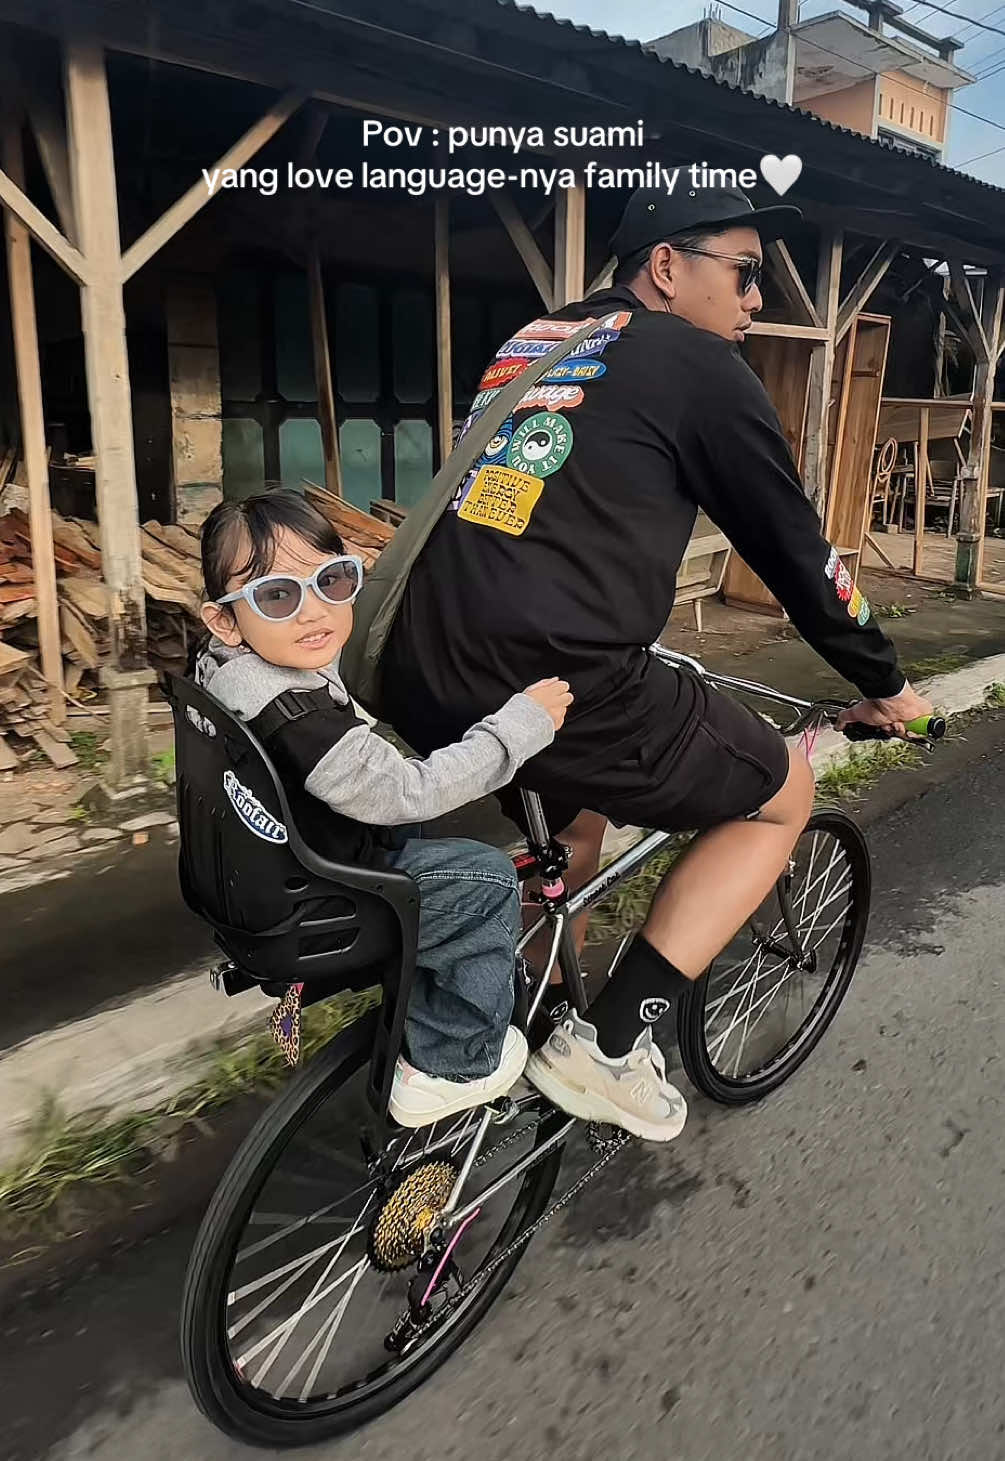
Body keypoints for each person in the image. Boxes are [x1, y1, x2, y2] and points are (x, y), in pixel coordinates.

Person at [381, 181, 932, 1142]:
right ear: (667, 269)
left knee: (574, 827)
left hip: (425, 663)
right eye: (747, 273)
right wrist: (883, 682)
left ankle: (515, 1019)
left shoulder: (537, 339)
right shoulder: (692, 362)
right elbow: (794, 550)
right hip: (559, 676)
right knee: (779, 796)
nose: (758, 300)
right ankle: (600, 1048)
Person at [194, 488, 573, 1128]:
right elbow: (405, 791)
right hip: (331, 895)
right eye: (277, 595)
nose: (314, 613)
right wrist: (518, 729)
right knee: (483, 882)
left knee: (436, 851)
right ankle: (453, 1062)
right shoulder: (296, 717)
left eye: (333, 581)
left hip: (263, 880)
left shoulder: (229, 668)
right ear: (225, 619)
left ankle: (438, 996)